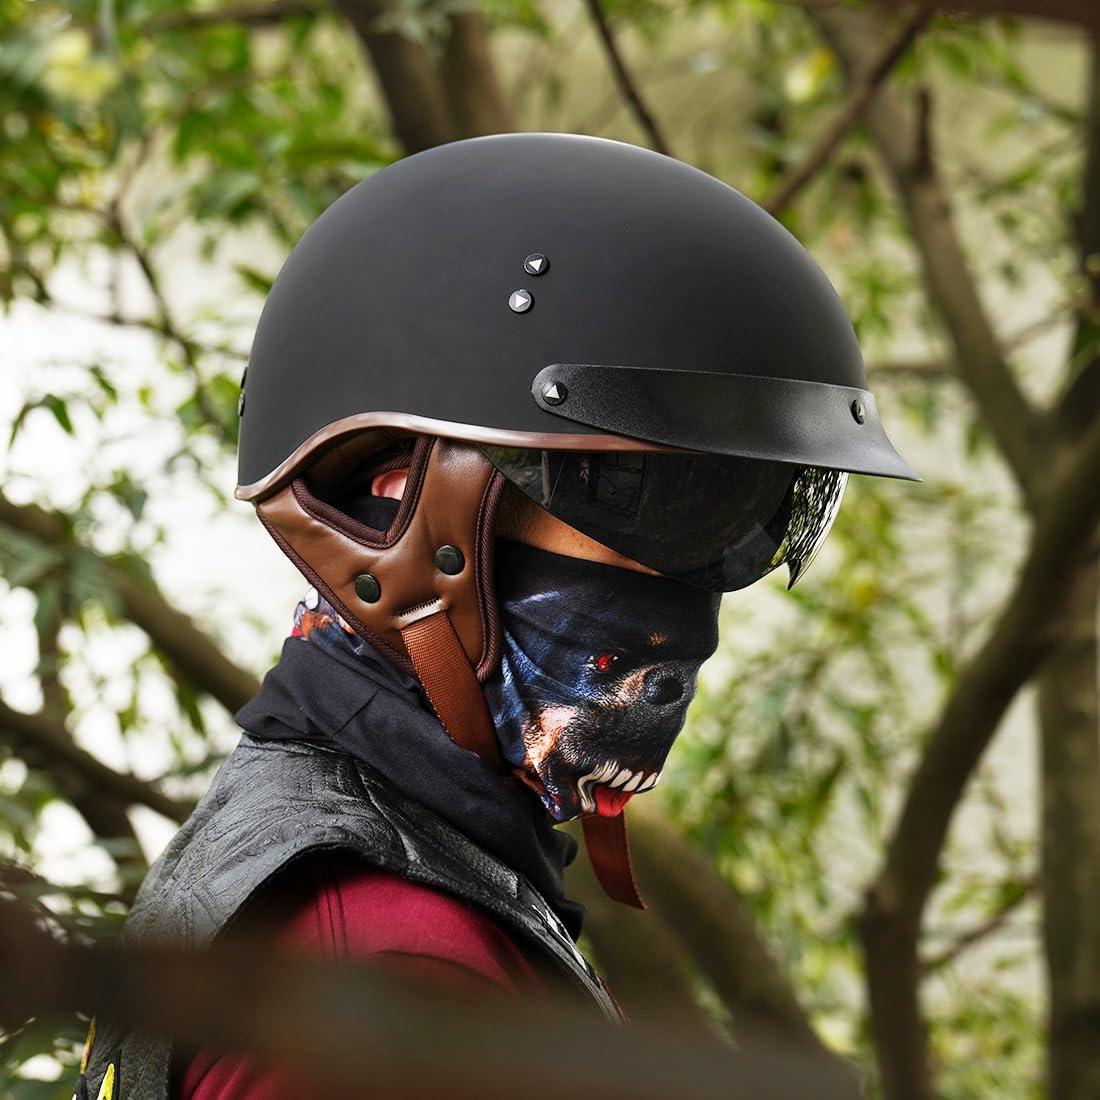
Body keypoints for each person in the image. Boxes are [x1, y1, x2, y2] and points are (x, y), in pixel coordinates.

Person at [75, 132, 916, 1100]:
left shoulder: (330, 839)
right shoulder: (396, 981)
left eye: (748, 523)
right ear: (396, 502)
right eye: (657, 502)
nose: (696, 592)